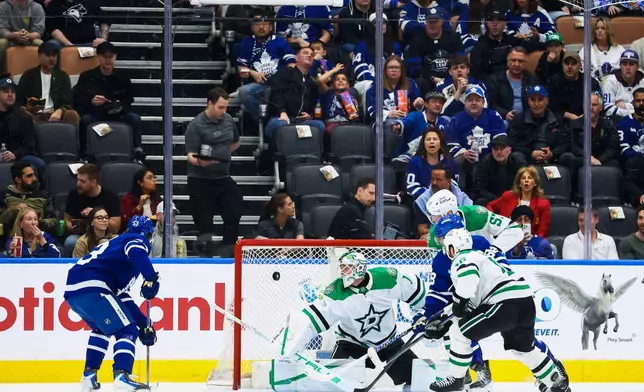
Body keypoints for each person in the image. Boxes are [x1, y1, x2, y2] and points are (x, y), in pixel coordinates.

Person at [415, 214, 567, 391]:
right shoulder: (478, 253)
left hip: (504, 304)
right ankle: (555, 382)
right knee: (522, 349)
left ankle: (457, 378)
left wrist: (456, 306)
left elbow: (468, 283)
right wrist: (434, 316)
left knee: (458, 332)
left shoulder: (462, 257)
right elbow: (476, 289)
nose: (441, 242)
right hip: (524, 299)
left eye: (443, 238)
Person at [279, 250, 426, 389]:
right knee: (335, 386)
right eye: (342, 267)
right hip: (352, 343)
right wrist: (291, 349)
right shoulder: (334, 292)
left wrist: (422, 315)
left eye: (347, 268)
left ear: (359, 269)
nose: (343, 272)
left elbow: (418, 293)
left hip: (390, 341)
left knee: (420, 378)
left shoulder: (387, 277)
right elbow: (311, 322)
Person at [64, 216, 159, 391]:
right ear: (149, 234)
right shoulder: (137, 239)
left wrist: (144, 324)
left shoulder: (115, 248)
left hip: (74, 291)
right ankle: (122, 377)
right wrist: (151, 277)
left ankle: (88, 377)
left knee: (103, 329)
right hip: (95, 286)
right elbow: (136, 250)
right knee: (127, 330)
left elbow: (122, 297)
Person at [185, 87, 243, 257]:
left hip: (223, 176)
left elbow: (236, 142)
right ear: (210, 104)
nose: (224, 111)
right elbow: (190, 155)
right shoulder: (196, 125)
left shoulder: (228, 120)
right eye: (220, 107)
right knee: (204, 220)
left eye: (226, 107)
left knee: (234, 207)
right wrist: (202, 162)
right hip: (200, 177)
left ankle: (229, 249)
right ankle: (205, 252)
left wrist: (222, 155)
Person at [73, 41, 143, 156]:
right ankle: (84, 151)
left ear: (115, 57)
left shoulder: (123, 77)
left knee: (134, 118)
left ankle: (137, 148)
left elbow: (129, 100)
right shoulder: (87, 76)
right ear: (98, 57)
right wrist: (91, 101)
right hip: (96, 113)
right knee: (85, 120)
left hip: (117, 114)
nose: (108, 60)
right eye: (105, 57)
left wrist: (119, 105)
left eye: (111, 57)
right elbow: (78, 99)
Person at [236, 8, 295, 124]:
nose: (261, 27)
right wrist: (252, 72)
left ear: (271, 27)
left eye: (265, 24)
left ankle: (270, 116)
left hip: (280, 86)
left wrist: (280, 78)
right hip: (260, 86)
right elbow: (240, 69)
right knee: (244, 92)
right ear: (252, 27)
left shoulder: (280, 42)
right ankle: (265, 118)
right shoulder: (246, 43)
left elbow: (292, 65)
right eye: (257, 24)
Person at [423, 189, 524, 253]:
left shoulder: (477, 216)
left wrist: (495, 251)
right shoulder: (434, 234)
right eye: (432, 216)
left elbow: (515, 229)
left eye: (437, 216)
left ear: (449, 213)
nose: (434, 221)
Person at [16, 40, 80, 126]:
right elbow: (18, 102)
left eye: (54, 55)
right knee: (22, 115)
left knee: (72, 114)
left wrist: (60, 111)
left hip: (55, 115)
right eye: (48, 55)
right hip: (34, 116)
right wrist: (29, 108)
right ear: (39, 56)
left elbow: (68, 102)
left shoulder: (62, 76)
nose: (52, 59)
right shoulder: (29, 75)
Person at [63, 163, 121, 257]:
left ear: (93, 182)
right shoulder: (74, 194)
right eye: (77, 180)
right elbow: (67, 219)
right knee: (70, 242)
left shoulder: (110, 196)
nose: (78, 184)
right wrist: (72, 227)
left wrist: (95, 213)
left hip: (105, 234)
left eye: (82, 181)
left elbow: (115, 227)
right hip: (81, 234)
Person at [405, 7, 465, 95]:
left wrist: (450, 77)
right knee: (420, 82)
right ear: (425, 22)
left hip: (451, 76)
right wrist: (433, 78)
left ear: (442, 21)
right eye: (430, 21)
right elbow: (414, 68)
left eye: (435, 21)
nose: (432, 24)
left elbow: (460, 60)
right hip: (428, 80)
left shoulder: (453, 37)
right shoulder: (417, 40)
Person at [487, 166, 552, 237]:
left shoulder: (543, 204)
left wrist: (534, 239)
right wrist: (495, 222)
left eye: (530, 178)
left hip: (529, 240)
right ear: (519, 183)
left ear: (535, 183)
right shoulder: (508, 196)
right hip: (505, 237)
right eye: (523, 178)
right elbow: (490, 206)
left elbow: (542, 231)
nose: (526, 180)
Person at [0, 77, 46, 177]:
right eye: (5, 91)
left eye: (13, 92)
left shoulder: (24, 116)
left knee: (39, 164)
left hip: (18, 156)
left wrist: (15, 153)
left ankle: (40, 191)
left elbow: (30, 145)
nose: (10, 94)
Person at [413, 163, 472, 238]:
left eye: (438, 180)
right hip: (436, 237)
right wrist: (443, 232)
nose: (434, 183)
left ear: (449, 182)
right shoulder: (422, 200)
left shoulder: (463, 199)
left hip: (460, 236)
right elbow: (422, 229)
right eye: (432, 179)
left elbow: (469, 224)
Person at [0, 161, 60, 235]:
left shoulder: (43, 196)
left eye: (34, 175)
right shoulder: (6, 195)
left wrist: (37, 220)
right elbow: (1, 221)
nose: (34, 179)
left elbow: (54, 222)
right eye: (29, 176)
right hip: (13, 239)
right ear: (18, 180)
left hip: (38, 238)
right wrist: (12, 211)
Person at [486, 46, 539, 124]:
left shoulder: (532, 80)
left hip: (528, 120)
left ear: (525, 62)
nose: (516, 64)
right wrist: (505, 114)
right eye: (513, 60)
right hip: (505, 120)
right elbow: (492, 104)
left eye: (520, 61)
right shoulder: (495, 80)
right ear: (507, 60)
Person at [393, 92, 449, 163]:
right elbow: (404, 122)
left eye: (440, 103)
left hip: (434, 158)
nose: (437, 104)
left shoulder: (444, 122)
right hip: (408, 155)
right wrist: (398, 126)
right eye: (434, 101)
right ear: (426, 104)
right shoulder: (415, 116)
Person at [473, 135, 527, 206]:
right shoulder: (485, 162)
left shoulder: (518, 161)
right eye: (495, 149)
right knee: (480, 201)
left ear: (509, 150)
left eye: (502, 148)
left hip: (514, 197)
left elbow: (526, 182)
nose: (498, 152)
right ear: (492, 150)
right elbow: (479, 189)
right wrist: (498, 200)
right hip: (493, 199)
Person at [468, 10, 522, 81]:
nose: (494, 25)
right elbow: (477, 72)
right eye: (491, 22)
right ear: (487, 24)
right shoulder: (480, 46)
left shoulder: (513, 41)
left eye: (498, 22)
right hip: (491, 82)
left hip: (512, 79)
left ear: (505, 24)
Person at [547, 52, 601, 122]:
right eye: (567, 63)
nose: (569, 67)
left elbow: (598, 105)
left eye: (573, 63)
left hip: (587, 121)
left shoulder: (591, 83)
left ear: (580, 65)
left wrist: (585, 116)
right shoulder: (553, 82)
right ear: (562, 65)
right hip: (560, 122)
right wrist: (569, 115)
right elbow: (550, 107)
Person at [405, 128, 458, 197]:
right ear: (423, 143)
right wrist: (429, 195)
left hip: (445, 199)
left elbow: (454, 185)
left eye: (435, 139)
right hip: (422, 199)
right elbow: (411, 186)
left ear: (440, 143)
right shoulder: (415, 161)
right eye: (428, 139)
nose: (432, 142)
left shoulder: (449, 161)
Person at [0, 0, 45, 73]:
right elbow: (2, 30)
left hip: (29, 39)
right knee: (1, 43)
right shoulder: (2, 6)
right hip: (9, 39)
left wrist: (28, 35)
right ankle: (2, 77)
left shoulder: (37, 7)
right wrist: (16, 35)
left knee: (40, 43)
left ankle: (39, 75)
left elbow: (39, 32)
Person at [44, 0, 110, 48]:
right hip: (62, 44)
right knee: (50, 46)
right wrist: (70, 46)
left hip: (89, 43)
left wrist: (102, 38)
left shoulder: (89, 2)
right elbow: (52, 29)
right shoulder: (54, 4)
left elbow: (104, 20)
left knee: (104, 46)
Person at [578, 16, 625, 81]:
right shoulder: (586, 50)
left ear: (609, 31)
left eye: (603, 28)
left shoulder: (620, 50)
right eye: (597, 28)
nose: (600, 30)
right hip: (592, 87)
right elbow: (581, 73)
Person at [601, 50, 644, 118]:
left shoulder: (643, 81)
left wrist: (625, 106)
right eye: (624, 64)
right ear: (620, 66)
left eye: (631, 64)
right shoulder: (609, 82)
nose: (628, 68)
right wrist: (635, 112)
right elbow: (608, 110)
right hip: (618, 122)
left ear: (637, 66)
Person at [120, 167, 160, 232]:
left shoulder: (158, 200)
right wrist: (139, 206)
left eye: (154, 177)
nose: (154, 180)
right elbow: (126, 223)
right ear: (140, 182)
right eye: (149, 178)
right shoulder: (127, 200)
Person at [616, 88, 644, 168]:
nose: (641, 103)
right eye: (638, 101)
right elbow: (623, 149)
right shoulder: (623, 123)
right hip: (633, 164)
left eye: (643, 100)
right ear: (633, 103)